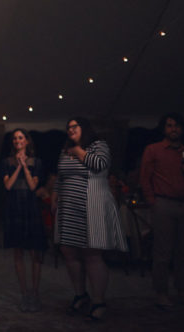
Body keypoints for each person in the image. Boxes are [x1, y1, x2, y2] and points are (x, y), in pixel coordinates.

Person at [53, 117, 127, 321]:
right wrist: (55, 195)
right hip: (68, 209)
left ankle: (99, 300)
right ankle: (80, 294)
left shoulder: (98, 145)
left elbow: (99, 164)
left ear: (84, 128)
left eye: (74, 126)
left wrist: (78, 151)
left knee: (91, 253)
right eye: (68, 127)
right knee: (69, 252)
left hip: (90, 206)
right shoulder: (65, 149)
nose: (70, 130)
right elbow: (61, 176)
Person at [139, 112, 184, 309]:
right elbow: (145, 177)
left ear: (182, 129)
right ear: (164, 129)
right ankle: (161, 293)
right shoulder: (153, 150)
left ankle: (183, 291)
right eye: (169, 125)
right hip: (163, 204)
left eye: (176, 125)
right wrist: (152, 201)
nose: (173, 129)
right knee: (162, 252)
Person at [1, 128, 47, 312]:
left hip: (31, 208)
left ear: (27, 141)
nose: (17, 140)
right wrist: (19, 165)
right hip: (14, 208)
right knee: (18, 252)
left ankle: (35, 293)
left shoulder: (37, 162)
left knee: (35, 253)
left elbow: (33, 186)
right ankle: (24, 294)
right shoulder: (7, 162)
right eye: (14, 138)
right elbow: (8, 185)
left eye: (20, 138)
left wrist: (26, 166)